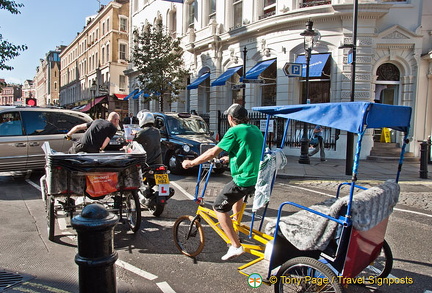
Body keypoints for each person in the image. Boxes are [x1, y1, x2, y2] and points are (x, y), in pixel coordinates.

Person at [182, 103, 263, 260]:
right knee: (236, 197)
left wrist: (191, 163)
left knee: (219, 206)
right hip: (254, 178)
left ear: (230, 118)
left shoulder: (234, 131)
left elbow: (212, 152)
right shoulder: (255, 130)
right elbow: (247, 151)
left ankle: (235, 246)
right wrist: (228, 158)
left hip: (243, 179)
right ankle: (236, 227)